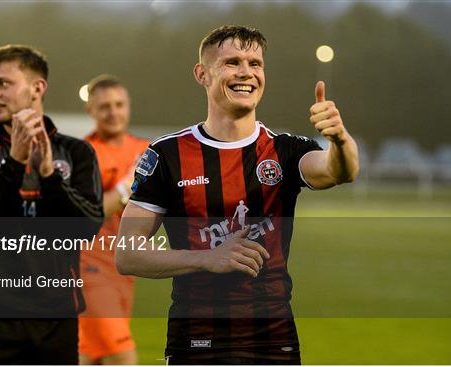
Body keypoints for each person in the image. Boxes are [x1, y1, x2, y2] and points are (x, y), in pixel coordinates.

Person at [116, 25, 359, 365]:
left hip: (274, 341)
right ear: (202, 74)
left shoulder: (285, 150)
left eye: (255, 63)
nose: (246, 72)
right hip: (196, 342)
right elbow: (127, 254)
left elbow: (338, 171)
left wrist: (340, 139)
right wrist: (206, 258)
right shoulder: (167, 155)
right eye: (232, 62)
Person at [0, 44, 103, 364]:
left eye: (3, 83)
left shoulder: (76, 153)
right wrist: (16, 163)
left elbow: (88, 226)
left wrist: (49, 176)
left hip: (56, 315)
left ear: (37, 88)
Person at [79, 75, 149, 365]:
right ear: (91, 111)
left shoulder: (146, 149)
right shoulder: (82, 154)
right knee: (122, 356)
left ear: (128, 106)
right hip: (88, 267)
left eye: (119, 104)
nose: (113, 112)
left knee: (89, 356)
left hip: (124, 269)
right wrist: (127, 184)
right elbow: (90, 214)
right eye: (104, 106)